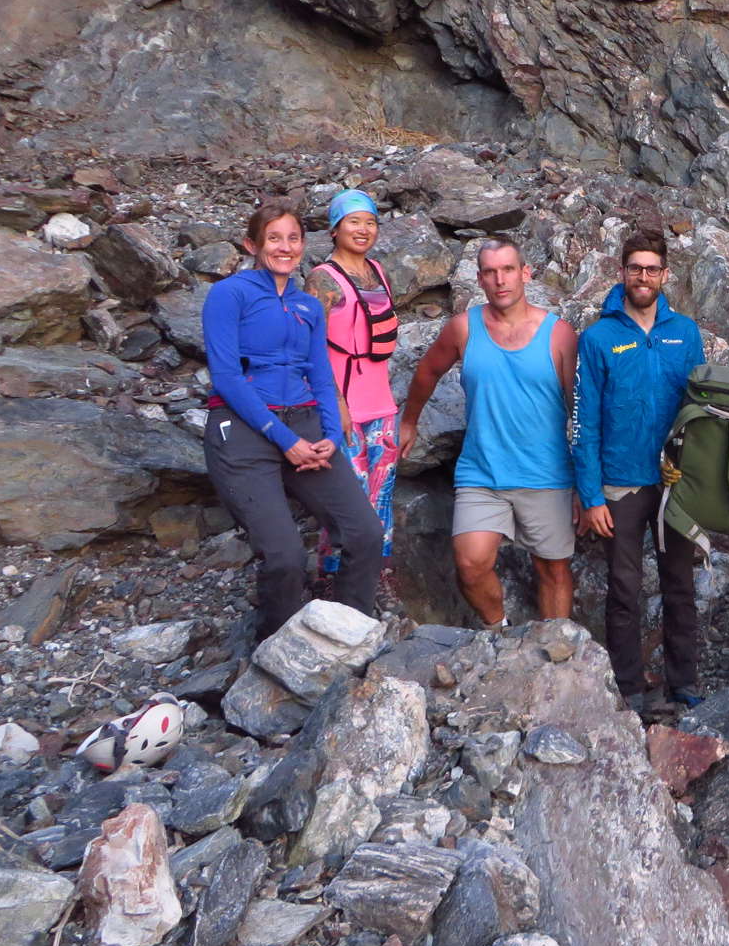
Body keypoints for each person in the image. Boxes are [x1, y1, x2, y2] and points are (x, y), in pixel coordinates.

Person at [201, 201, 383, 641]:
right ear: (252, 245)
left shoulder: (307, 306)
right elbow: (226, 376)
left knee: (364, 532)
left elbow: (319, 373)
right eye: (274, 239)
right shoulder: (229, 294)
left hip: (304, 424)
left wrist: (331, 436)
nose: (285, 247)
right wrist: (284, 440)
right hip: (243, 429)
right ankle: (274, 650)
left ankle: (347, 636)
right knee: (285, 555)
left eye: (294, 238)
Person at [400, 239, 576, 626]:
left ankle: (557, 646)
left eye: (508, 269)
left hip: (545, 473)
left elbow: (578, 411)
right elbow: (428, 370)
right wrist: (409, 421)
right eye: (491, 272)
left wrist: (586, 483)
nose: (500, 280)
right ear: (479, 279)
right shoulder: (464, 328)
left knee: (553, 569)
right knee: (471, 563)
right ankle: (500, 634)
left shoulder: (559, 334)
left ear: (525, 273)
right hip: (482, 471)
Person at [575, 227, 706, 711]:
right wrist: (591, 495)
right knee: (624, 588)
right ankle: (629, 687)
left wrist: (696, 476)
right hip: (620, 483)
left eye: (652, 269)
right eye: (635, 269)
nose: (643, 277)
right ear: (622, 272)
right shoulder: (598, 338)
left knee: (680, 586)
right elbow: (583, 421)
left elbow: (702, 410)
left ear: (665, 274)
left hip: (675, 483)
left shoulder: (684, 333)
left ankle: (684, 684)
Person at [305, 190, 400, 583]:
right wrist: (336, 404)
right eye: (354, 221)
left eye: (371, 222)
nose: (364, 229)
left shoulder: (378, 271)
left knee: (382, 495)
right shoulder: (322, 279)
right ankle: (333, 579)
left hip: (383, 405)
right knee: (349, 500)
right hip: (344, 407)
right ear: (335, 228)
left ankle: (374, 577)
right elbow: (311, 347)